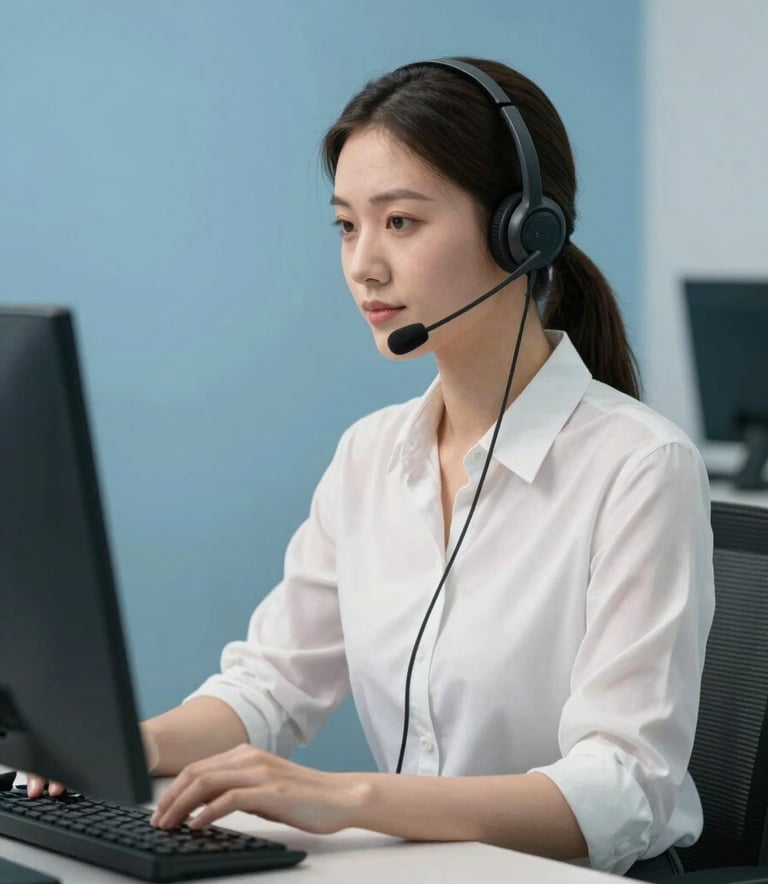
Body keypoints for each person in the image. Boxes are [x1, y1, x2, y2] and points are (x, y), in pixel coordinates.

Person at [28, 57, 715, 878]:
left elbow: (622, 787)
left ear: (523, 232)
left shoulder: (639, 467)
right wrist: (116, 751)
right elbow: (272, 686)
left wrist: (349, 797)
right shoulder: (370, 455)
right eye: (347, 227)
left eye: (401, 222)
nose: (364, 265)